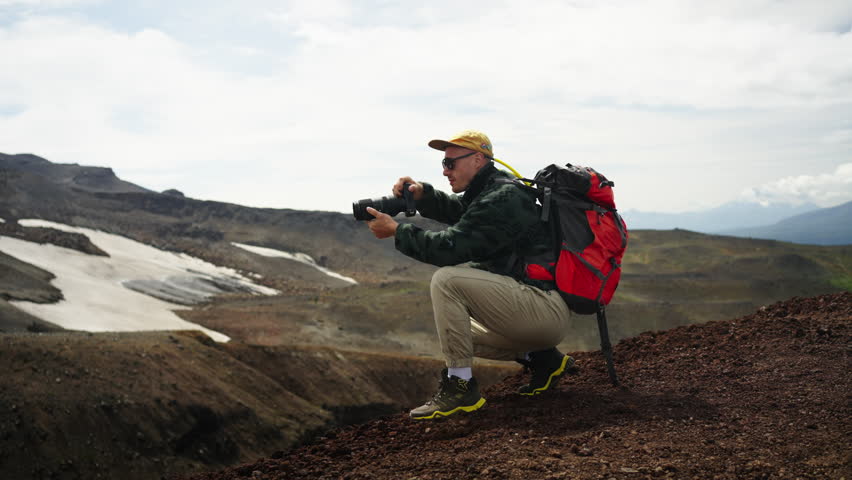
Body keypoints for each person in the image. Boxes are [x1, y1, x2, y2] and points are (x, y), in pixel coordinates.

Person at [365, 130, 575, 421]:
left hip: (542, 309)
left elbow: (449, 248)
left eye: (451, 163)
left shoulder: (504, 197)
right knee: (456, 333)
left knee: (447, 280)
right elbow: (463, 213)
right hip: (537, 311)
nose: (445, 171)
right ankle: (544, 360)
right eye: (443, 164)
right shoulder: (492, 191)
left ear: (477, 159)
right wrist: (422, 194)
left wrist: (397, 231)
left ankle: (461, 388)